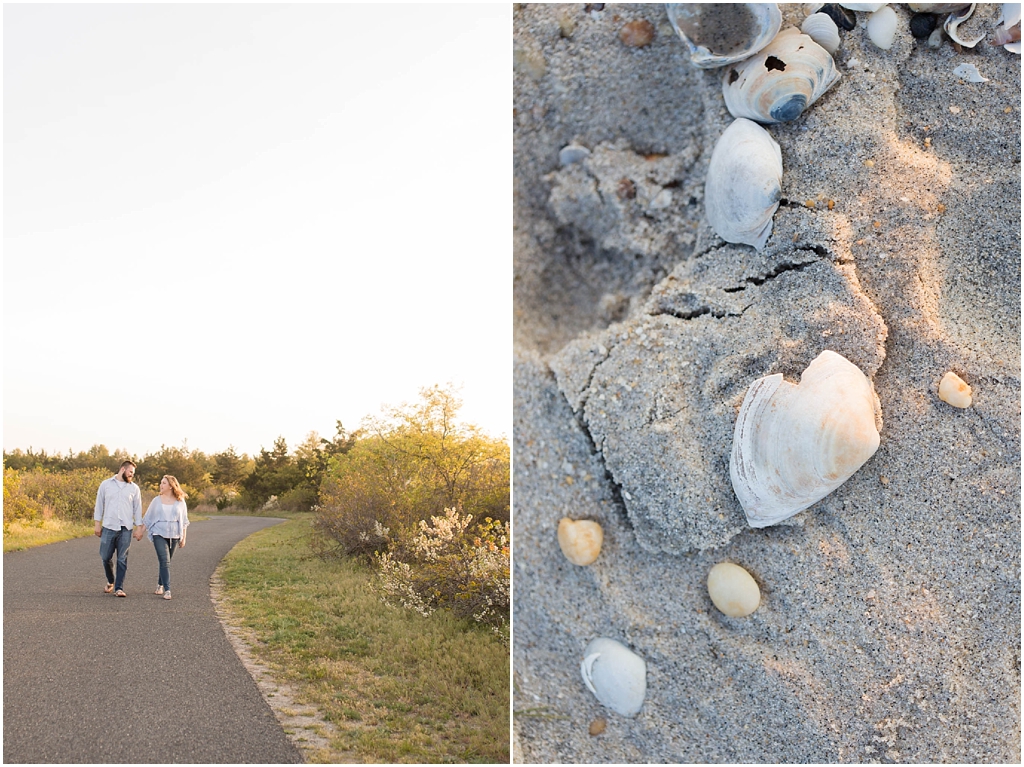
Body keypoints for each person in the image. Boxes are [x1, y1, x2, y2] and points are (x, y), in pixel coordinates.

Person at [94, 460, 144, 597]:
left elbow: (137, 509)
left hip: (125, 528)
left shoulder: (134, 489)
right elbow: (99, 505)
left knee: (122, 558)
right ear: (123, 469)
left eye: (133, 473)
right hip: (109, 527)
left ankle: (119, 588)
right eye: (130, 472)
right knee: (105, 557)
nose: (132, 475)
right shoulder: (106, 485)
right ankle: (111, 580)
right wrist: (97, 523)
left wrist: (139, 528)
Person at [142, 475, 190, 601]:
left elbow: (184, 521)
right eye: (161, 483)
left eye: (163, 483)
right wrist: (139, 531)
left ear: (170, 486)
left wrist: (183, 538)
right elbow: (148, 518)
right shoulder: (156, 500)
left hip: (174, 535)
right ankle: (167, 590)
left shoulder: (180, 501)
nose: (160, 485)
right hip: (159, 533)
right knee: (165, 561)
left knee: (166, 562)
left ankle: (160, 584)